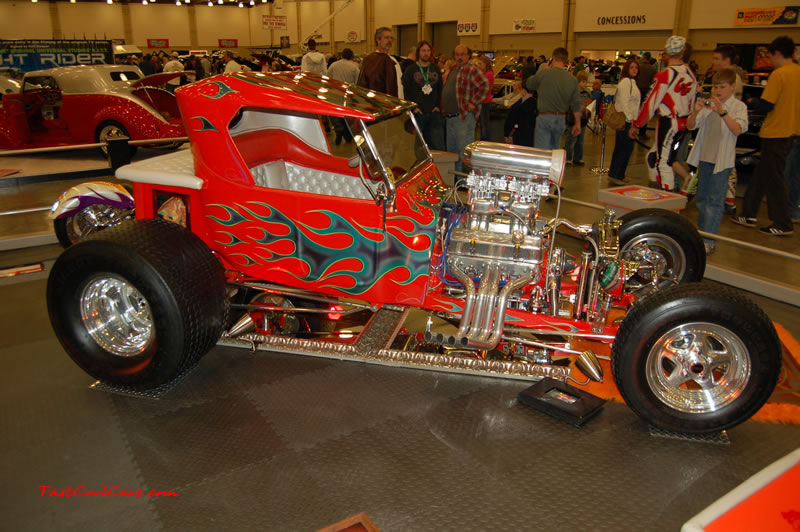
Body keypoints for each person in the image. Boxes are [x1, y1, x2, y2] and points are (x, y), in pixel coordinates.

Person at [733, 36, 800, 236]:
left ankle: (782, 222)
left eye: (770, 56)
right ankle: (748, 213)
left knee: (775, 179)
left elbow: (767, 104)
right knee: (762, 174)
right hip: (791, 131)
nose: (771, 61)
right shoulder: (797, 72)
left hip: (776, 132)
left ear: (777, 53)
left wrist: (752, 101)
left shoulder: (779, 75)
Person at [686, 68, 748, 254]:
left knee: (715, 202)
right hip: (705, 158)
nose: (718, 91)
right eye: (715, 87)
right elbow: (690, 125)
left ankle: (709, 239)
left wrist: (722, 112)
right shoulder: (708, 105)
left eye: (722, 87)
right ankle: (702, 234)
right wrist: (696, 112)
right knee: (702, 200)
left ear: (732, 87)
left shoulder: (738, 107)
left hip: (722, 163)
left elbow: (737, 129)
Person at [629, 36, 697, 191]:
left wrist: (637, 124)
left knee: (663, 162)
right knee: (652, 158)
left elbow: (650, 103)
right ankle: (655, 190)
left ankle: (667, 203)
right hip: (683, 123)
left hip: (669, 121)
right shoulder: (690, 75)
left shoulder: (665, 75)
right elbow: (692, 103)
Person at [441, 44, 490, 172]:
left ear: (468, 55)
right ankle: (457, 182)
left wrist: (473, 103)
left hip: (463, 117)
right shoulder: (453, 69)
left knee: (465, 152)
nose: (460, 57)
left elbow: (485, 85)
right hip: (450, 117)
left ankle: (465, 183)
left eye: (462, 54)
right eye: (457, 54)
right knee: (452, 154)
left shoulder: (471, 69)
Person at [526, 47, 581, 150]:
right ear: (565, 61)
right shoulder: (572, 80)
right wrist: (577, 123)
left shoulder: (544, 73)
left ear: (553, 58)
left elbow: (530, 84)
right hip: (560, 119)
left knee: (542, 153)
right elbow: (576, 104)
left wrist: (543, 69)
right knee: (554, 152)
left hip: (544, 118)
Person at [401, 40, 444, 151]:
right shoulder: (411, 69)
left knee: (437, 145)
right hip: (418, 114)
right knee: (419, 147)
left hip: (434, 113)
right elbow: (406, 90)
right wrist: (413, 108)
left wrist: (438, 106)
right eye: (423, 50)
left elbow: (440, 89)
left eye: (428, 51)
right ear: (419, 52)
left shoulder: (435, 69)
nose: (426, 53)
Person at [608, 58, 641, 185]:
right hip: (626, 120)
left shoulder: (632, 82)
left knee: (623, 149)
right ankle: (616, 174)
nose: (634, 69)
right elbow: (625, 103)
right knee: (624, 149)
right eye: (631, 67)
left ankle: (618, 174)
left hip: (629, 120)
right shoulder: (626, 82)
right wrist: (632, 120)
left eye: (636, 67)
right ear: (627, 68)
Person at [357, 27, 403, 98]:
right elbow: (363, 85)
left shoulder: (393, 61)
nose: (390, 40)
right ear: (378, 40)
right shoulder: (369, 60)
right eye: (386, 38)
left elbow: (399, 85)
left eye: (391, 38)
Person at [564, 70, 592, 166]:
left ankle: (578, 158)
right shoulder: (573, 92)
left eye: (586, 82)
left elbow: (590, 102)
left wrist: (588, 108)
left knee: (580, 141)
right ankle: (567, 158)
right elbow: (569, 105)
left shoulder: (588, 92)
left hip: (583, 119)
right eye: (583, 81)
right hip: (573, 119)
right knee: (571, 140)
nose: (585, 84)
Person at [503, 81, 536, 147]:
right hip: (532, 136)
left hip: (519, 135)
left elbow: (510, 120)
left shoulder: (517, 106)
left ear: (523, 90)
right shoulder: (537, 104)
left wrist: (506, 134)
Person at [635, 52, 656, 139]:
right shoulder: (653, 69)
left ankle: (633, 128)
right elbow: (654, 82)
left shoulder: (638, 67)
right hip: (647, 91)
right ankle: (642, 132)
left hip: (637, 91)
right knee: (644, 111)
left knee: (635, 111)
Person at [475, 55, 494, 141]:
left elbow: (481, 86)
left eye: (480, 63)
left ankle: (485, 141)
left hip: (485, 102)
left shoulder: (488, 74)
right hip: (483, 102)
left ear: (485, 64)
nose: (478, 65)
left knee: (484, 125)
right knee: (483, 125)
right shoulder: (485, 74)